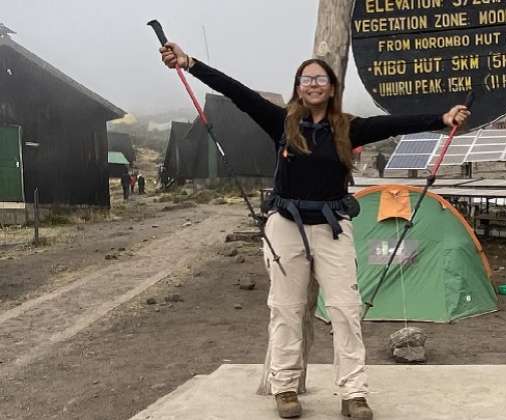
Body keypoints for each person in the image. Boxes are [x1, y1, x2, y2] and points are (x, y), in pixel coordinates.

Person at [160, 43, 470, 420]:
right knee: (287, 310)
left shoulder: (348, 128)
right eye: (306, 79)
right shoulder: (280, 121)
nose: (313, 85)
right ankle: (285, 388)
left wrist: (442, 118)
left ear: (332, 87)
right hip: (285, 225)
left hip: (332, 228)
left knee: (345, 310)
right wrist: (189, 63)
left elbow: (394, 124)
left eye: (320, 79)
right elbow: (236, 92)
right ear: (298, 86)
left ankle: (354, 394)